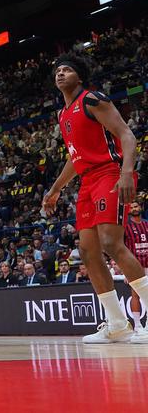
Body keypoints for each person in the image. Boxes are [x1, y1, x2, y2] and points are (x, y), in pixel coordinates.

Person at [43, 56, 147, 343]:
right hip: (88, 181)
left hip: (109, 173)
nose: (61, 73)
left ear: (80, 76)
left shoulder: (92, 99)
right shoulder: (63, 114)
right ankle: (117, 324)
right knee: (88, 252)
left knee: (111, 243)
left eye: (67, 70)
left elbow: (127, 135)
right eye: (58, 70)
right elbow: (76, 160)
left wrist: (127, 172)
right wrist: (55, 190)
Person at [123, 201, 148, 336]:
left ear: (140, 207)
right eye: (131, 207)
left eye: (136, 206)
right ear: (128, 210)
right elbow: (121, 249)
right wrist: (125, 270)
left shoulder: (146, 223)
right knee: (135, 295)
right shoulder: (125, 227)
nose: (134, 208)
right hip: (134, 265)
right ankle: (137, 325)